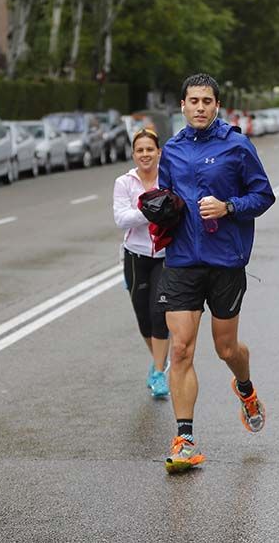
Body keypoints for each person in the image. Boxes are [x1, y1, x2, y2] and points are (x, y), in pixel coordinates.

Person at [158, 73, 276, 474]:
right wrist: (159, 209)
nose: (200, 107)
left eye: (207, 101)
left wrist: (228, 207)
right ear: (183, 106)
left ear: (217, 105)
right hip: (181, 261)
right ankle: (185, 438)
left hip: (225, 261)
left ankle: (245, 387)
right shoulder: (171, 150)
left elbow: (264, 196)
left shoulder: (237, 146)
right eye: (193, 101)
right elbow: (166, 197)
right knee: (180, 348)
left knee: (226, 349)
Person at [113, 128, 170, 398]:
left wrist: (150, 210)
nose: (145, 154)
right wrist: (153, 209)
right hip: (135, 256)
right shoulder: (124, 183)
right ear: (134, 155)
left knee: (160, 314)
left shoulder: (169, 178)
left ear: (159, 152)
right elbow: (121, 220)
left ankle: (159, 372)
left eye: (150, 149)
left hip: (165, 256)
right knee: (144, 318)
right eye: (140, 150)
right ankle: (157, 360)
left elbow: (175, 211)